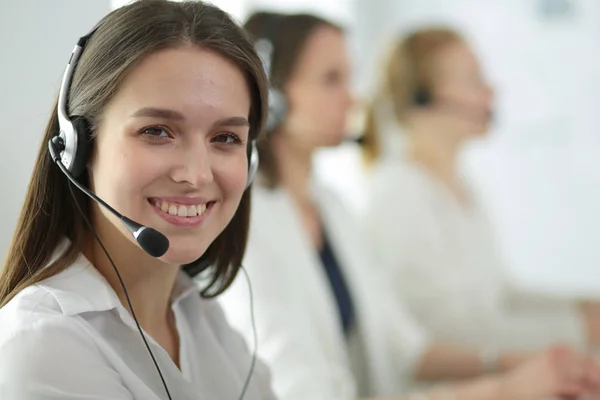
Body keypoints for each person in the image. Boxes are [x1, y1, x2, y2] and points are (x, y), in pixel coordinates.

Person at [218, 11, 600, 400]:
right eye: (332, 79)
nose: (353, 97)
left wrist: (531, 367)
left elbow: (407, 349)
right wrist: (505, 388)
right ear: (270, 93)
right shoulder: (251, 226)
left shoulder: (333, 209)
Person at [0, 1, 276, 399]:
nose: (196, 174)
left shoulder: (203, 321)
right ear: (78, 146)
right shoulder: (43, 347)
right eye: (158, 131)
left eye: (225, 138)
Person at [362, 27, 600, 356]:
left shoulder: (462, 185)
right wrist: (578, 327)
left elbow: (499, 297)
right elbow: (443, 329)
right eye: (473, 80)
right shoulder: (399, 194)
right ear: (422, 98)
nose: (490, 91)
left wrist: (582, 307)